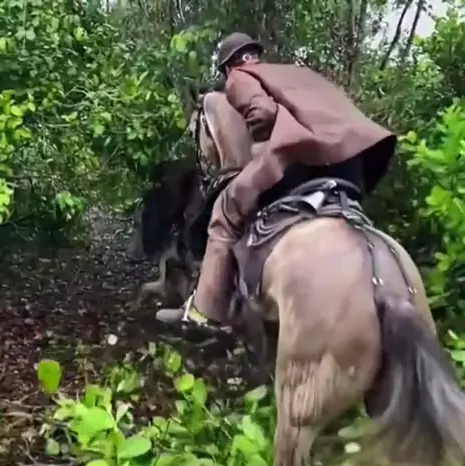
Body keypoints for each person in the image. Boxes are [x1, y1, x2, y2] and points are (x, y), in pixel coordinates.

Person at [156, 32, 397, 330]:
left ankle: (204, 314)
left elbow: (261, 113)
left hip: (302, 162)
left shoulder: (240, 77)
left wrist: (261, 149)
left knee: (225, 211)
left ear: (229, 67)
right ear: (256, 54)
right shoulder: (298, 73)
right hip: (353, 164)